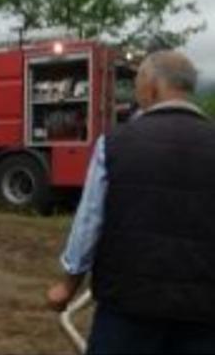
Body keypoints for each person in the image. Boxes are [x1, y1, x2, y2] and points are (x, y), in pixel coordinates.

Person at [46, 51, 215, 354]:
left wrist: (67, 286)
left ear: (151, 87)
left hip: (127, 309)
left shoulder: (113, 145)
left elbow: (89, 223)